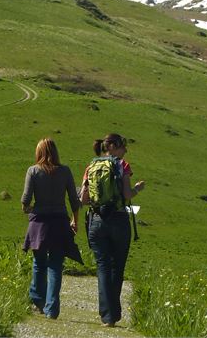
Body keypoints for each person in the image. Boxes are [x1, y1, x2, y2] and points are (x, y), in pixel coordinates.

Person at [82, 133, 146, 327]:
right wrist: (137, 189)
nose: (125, 151)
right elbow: (127, 195)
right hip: (118, 219)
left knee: (102, 267)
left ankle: (107, 316)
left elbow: (83, 200)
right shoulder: (122, 165)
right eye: (123, 147)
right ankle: (114, 313)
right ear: (115, 146)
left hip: (96, 220)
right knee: (117, 267)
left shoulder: (91, 166)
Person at [21, 137, 82, 319]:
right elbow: (74, 200)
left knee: (39, 263)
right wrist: (75, 221)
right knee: (55, 266)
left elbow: (25, 201)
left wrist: (32, 210)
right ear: (55, 152)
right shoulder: (65, 171)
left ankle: (38, 301)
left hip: (38, 223)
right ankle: (52, 309)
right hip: (59, 223)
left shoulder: (33, 171)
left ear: (39, 152)